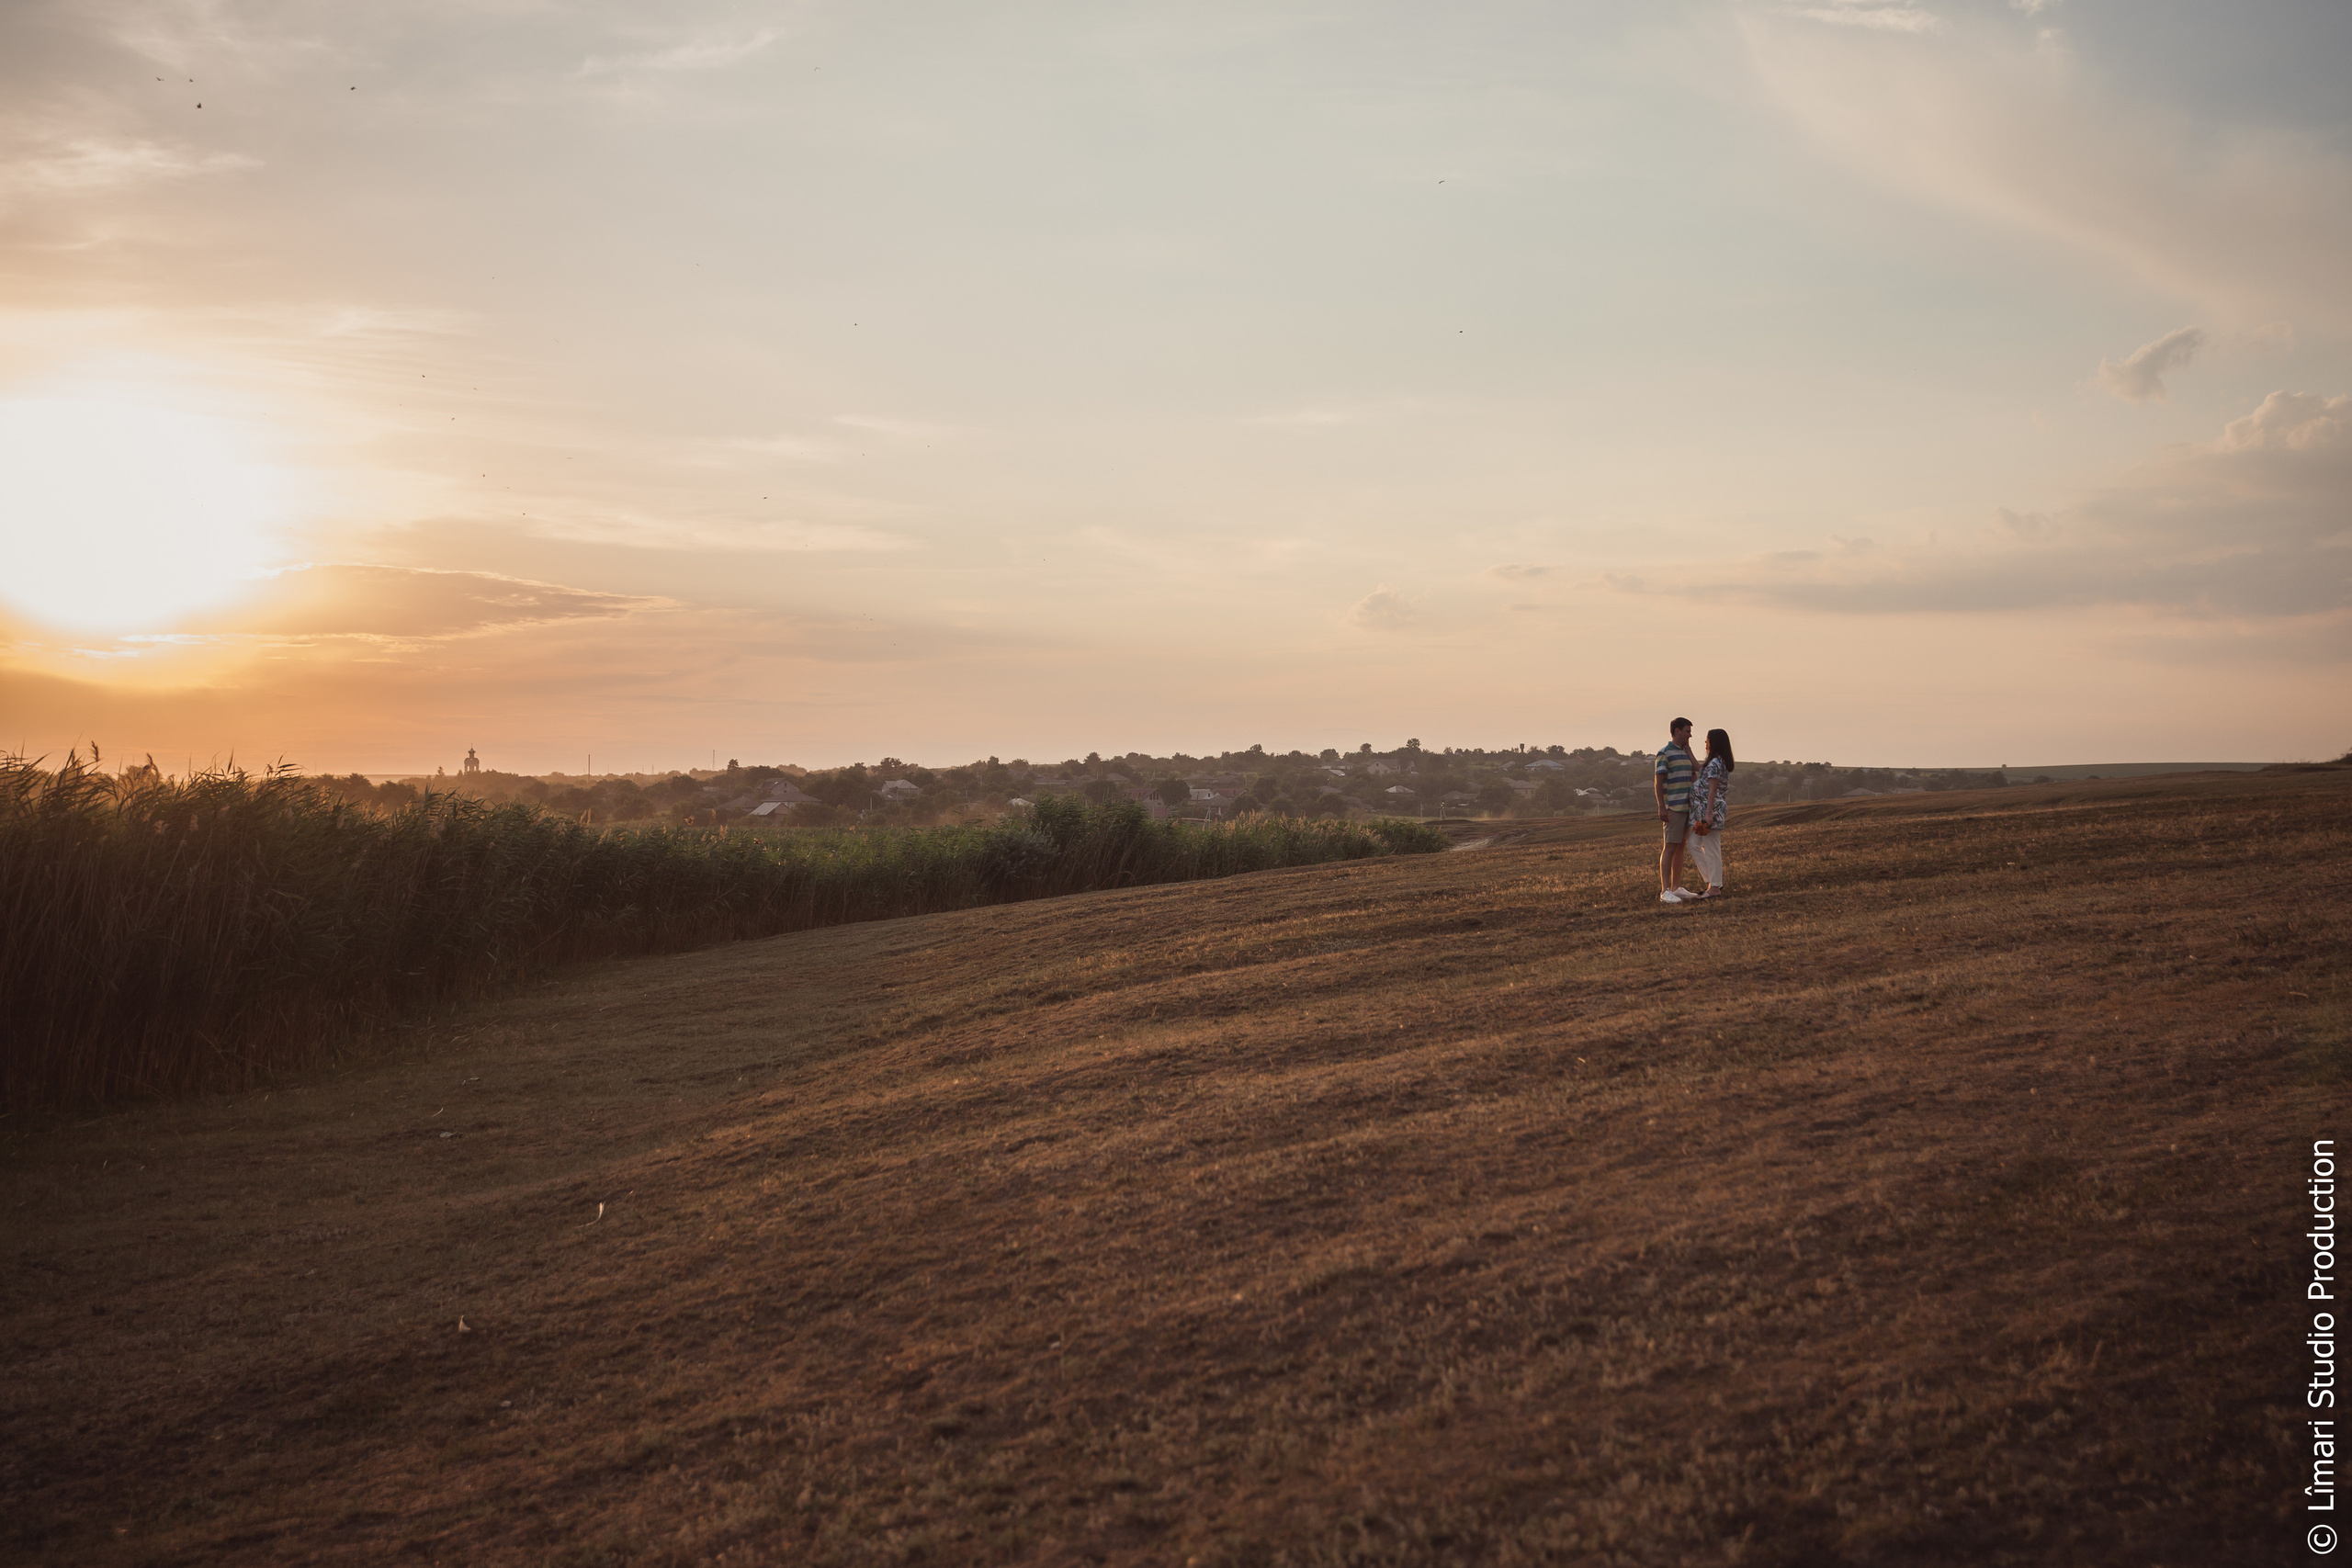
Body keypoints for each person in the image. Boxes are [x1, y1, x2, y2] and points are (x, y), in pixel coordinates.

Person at [1653, 716, 1698, 904]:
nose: (1690, 734)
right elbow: (1658, 781)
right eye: (1687, 731)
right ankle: (1665, 891)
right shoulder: (1664, 753)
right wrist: (1662, 807)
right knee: (1670, 847)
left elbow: (1696, 772)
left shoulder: (1685, 753)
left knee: (1680, 846)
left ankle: (1677, 887)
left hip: (1687, 807)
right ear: (1677, 731)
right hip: (1673, 807)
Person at [1687, 728, 1734, 899]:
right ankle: (1714, 881)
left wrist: (1708, 814)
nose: (1705, 743)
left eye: (1707, 740)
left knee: (1712, 848)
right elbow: (1699, 767)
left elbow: (1712, 790)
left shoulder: (1715, 764)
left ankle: (1714, 887)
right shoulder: (1713, 761)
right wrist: (1688, 749)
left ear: (1713, 742)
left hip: (1710, 811)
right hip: (1703, 811)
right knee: (1693, 844)